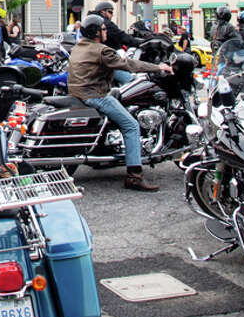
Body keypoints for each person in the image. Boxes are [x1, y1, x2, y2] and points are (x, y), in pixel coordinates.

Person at [67, 13, 171, 191]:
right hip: (96, 95)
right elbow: (128, 64)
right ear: (96, 32)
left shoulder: (79, 47)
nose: (106, 31)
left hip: (79, 92)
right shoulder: (102, 50)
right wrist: (158, 67)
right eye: (104, 29)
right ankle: (135, 176)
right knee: (131, 125)